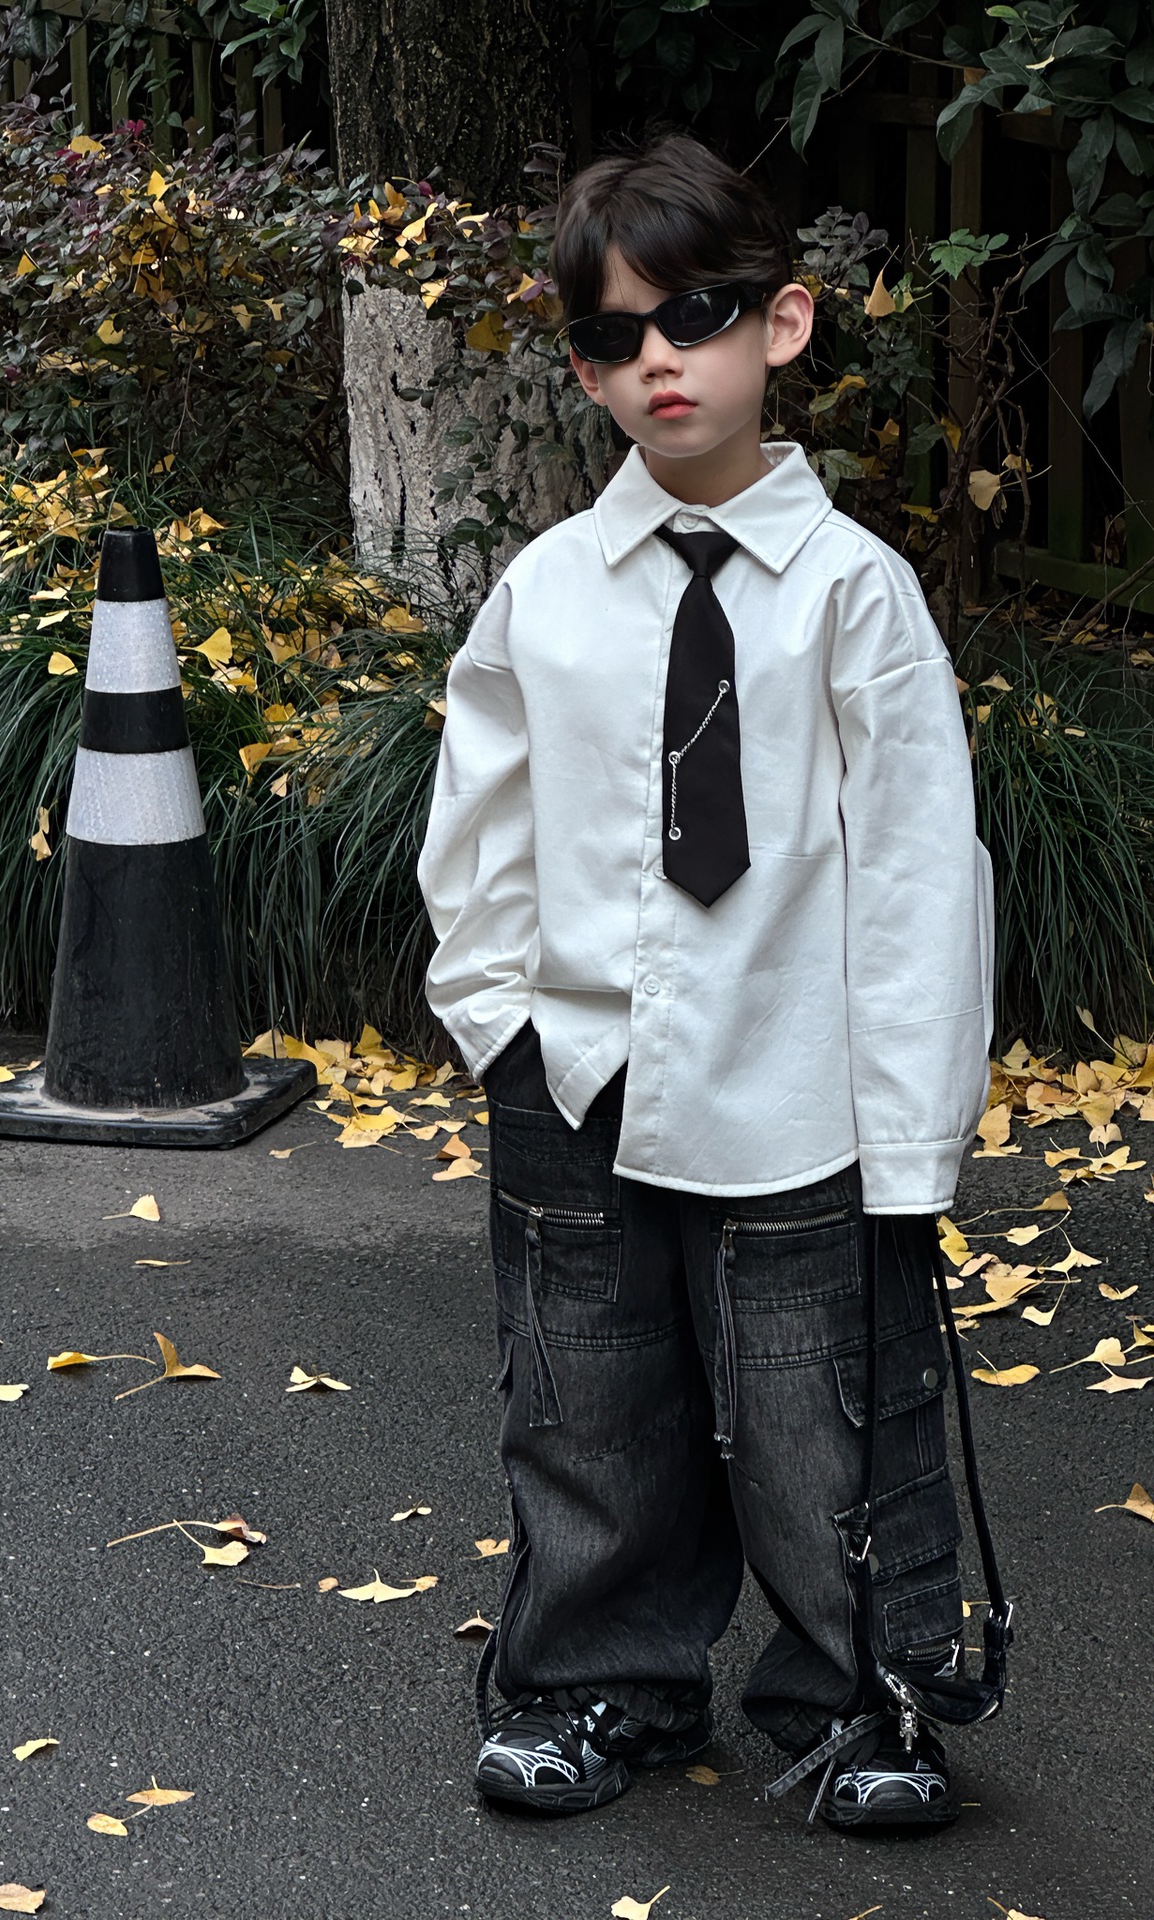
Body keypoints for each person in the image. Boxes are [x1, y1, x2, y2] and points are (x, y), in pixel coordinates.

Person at [416, 131, 996, 1831]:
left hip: (797, 1084)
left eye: (698, 315)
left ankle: (863, 1699)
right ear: (586, 369)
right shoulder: (546, 595)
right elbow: (480, 828)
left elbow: (918, 876)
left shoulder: (856, 600)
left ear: (783, 323)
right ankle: (599, 1683)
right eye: (615, 335)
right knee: (587, 1409)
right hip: (579, 1078)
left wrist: (912, 1136)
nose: (660, 359)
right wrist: (502, 1026)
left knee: (829, 1415)